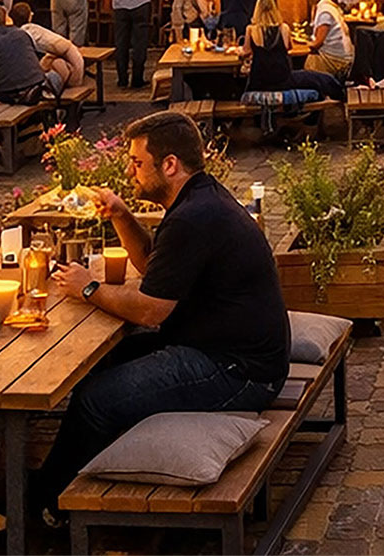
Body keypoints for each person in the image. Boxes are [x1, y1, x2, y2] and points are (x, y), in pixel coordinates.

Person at [37, 112, 291, 519]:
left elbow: (152, 310)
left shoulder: (194, 217)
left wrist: (88, 287)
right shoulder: (198, 199)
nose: (130, 171)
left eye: (137, 163)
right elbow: (153, 266)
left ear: (169, 164)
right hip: (224, 348)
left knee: (94, 400)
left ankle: (47, 502)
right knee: (110, 360)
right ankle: (90, 470)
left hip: (238, 370)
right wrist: (120, 213)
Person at [240, 0, 344, 110]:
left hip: (259, 81)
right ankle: (341, 95)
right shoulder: (284, 28)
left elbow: (246, 52)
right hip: (282, 78)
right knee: (319, 79)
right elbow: (289, 48)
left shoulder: (251, 29)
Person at [8, 2, 84, 91]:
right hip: (70, 57)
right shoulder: (28, 30)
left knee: (57, 64)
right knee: (56, 64)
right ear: (30, 16)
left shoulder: (24, 32)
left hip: (72, 63)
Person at [301, 0, 352, 79]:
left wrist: (304, 45)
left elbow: (318, 42)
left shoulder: (325, 11)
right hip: (342, 54)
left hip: (335, 59)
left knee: (306, 62)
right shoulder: (327, 6)